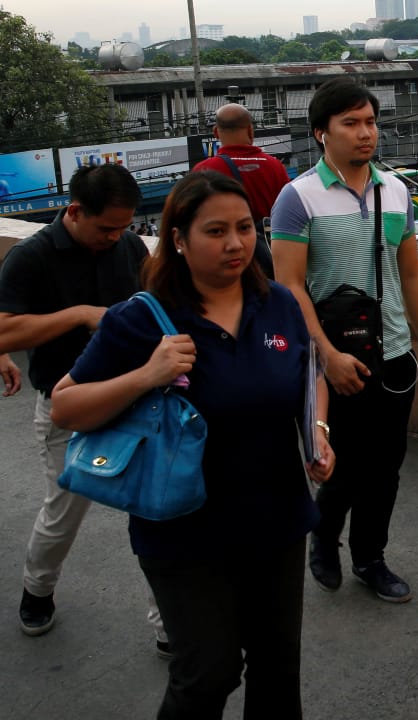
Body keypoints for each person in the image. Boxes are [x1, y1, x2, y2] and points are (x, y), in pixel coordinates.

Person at [49, 171, 334, 718]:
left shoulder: (276, 301)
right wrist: (145, 376)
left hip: (275, 518)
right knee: (208, 670)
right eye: (216, 231)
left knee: (278, 667)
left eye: (246, 228)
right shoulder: (143, 317)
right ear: (177, 238)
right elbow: (66, 405)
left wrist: (318, 432)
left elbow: (309, 373)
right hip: (183, 527)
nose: (235, 244)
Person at [272, 77, 418, 604]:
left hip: (392, 352)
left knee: (386, 466)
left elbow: (411, 275)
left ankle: (370, 557)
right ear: (322, 132)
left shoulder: (396, 191)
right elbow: (289, 287)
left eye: (370, 121)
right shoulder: (297, 198)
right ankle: (323, 535)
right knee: (341, 464)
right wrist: (327, 354)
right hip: (336, 355)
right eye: (351, 123)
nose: (365, 133)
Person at [0, 164, 167, 646]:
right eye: (106, 228)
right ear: (74, 211)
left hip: (137, 401)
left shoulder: (131, 247)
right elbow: (4, 331)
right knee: (64, 511)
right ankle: (38, 589)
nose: (117, 237)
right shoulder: (30, 257)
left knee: (156, 512)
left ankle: (166, 623)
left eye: (124, 227)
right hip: (66, 409)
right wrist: (77, 316)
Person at [191, 102, 291, 278]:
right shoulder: (275, 167)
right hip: (270, 264)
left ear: (215, 132)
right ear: (251, 131)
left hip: (224, 267)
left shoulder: (203, 171)